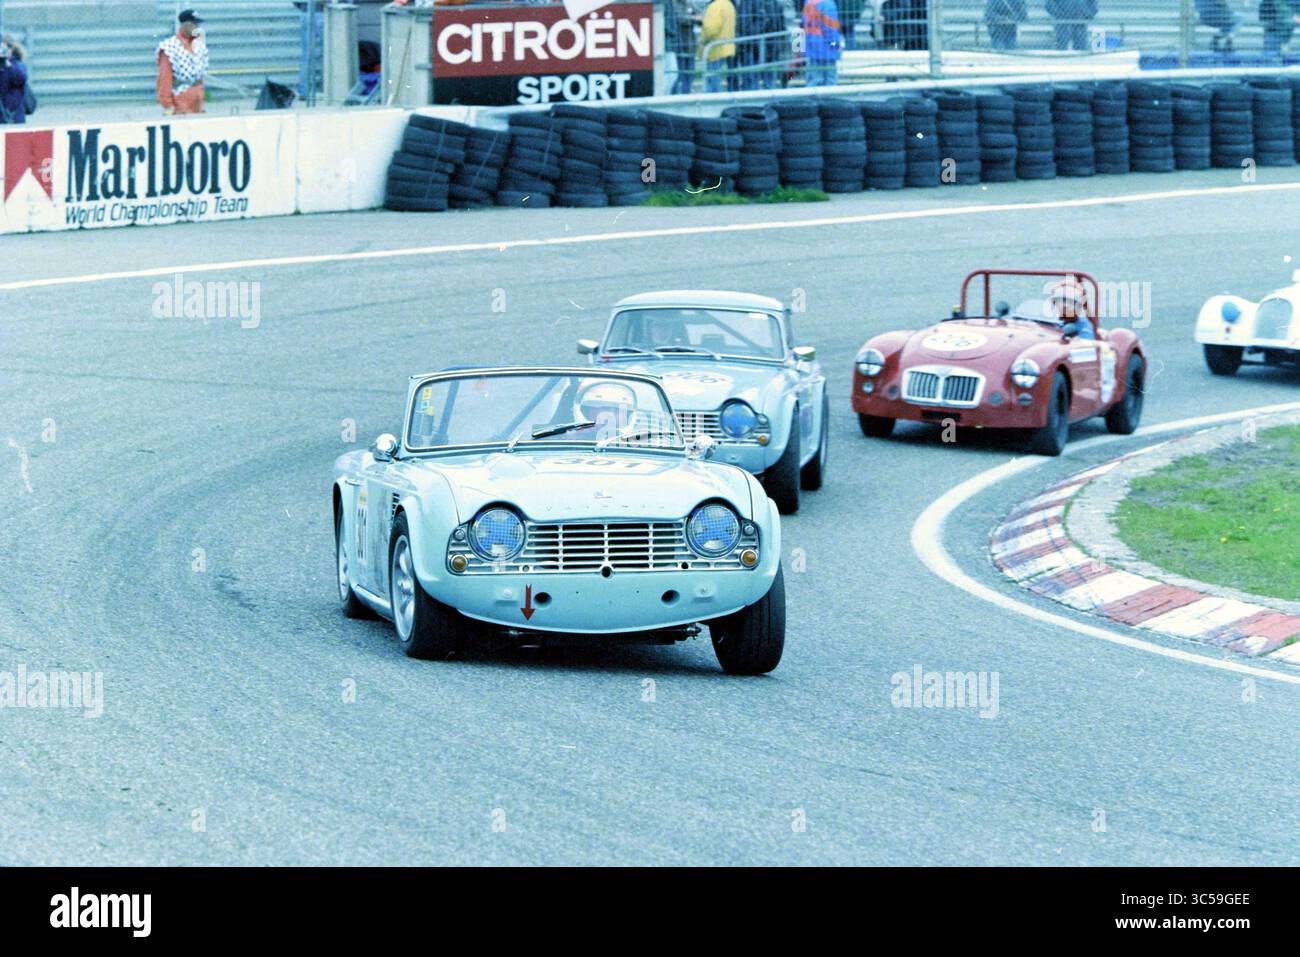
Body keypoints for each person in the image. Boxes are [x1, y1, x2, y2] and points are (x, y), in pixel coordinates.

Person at [157, 8, 209, 115]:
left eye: (198, 24)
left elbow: (201, 76)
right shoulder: (170, 47)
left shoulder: (199, 45)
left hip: (197, 102)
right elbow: (164, 79)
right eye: (194, 24)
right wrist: (168, 105)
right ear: (185, 24)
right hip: (179, 102)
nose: (197, 27)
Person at [802, 0, 843, 87]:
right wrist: (836, 45)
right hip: (827, 48)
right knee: (830, 79)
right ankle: (829, 99)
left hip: (811, 45)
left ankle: (812, 99)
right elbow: (830, 29)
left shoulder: (808, 2)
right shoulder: (828, 5)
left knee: (814, 79)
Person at [700, 0, 736, 93]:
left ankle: (713, 101)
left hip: (714, 48)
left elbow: (711, 30)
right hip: (727, 45)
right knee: (718, 76)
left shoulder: (715, 6)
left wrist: (703, 40)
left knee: (712, 79)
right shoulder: (729, 4)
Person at [0, 35, 29, 125]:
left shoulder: (17, 64)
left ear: (11, 49)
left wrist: (8, 64)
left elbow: (21, 79)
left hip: (14, 114)